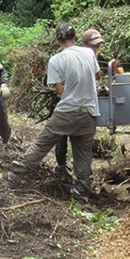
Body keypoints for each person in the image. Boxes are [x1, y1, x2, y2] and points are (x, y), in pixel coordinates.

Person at [0, 24, 100, 202]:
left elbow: (59, 91)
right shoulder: (88, 53)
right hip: (89, 112)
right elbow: (98, 75)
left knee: (42, 143)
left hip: (67, 112)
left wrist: (69, 89)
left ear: (58, 40)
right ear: (75, 37)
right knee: (83, 152)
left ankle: (15, 176)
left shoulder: (56, 60)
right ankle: (82, 190)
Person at [54, 28, 105, 178]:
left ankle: (84, 177)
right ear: (84, 44)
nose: (97, 48)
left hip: (83, 108)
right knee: (61, 138)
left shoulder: (90, 56)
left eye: (98, 45)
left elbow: (97, 76)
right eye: (94, 45)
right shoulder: (69, 58)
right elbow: (60, 88)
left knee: (81, 145)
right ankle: (62, 167)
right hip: (67, 106)